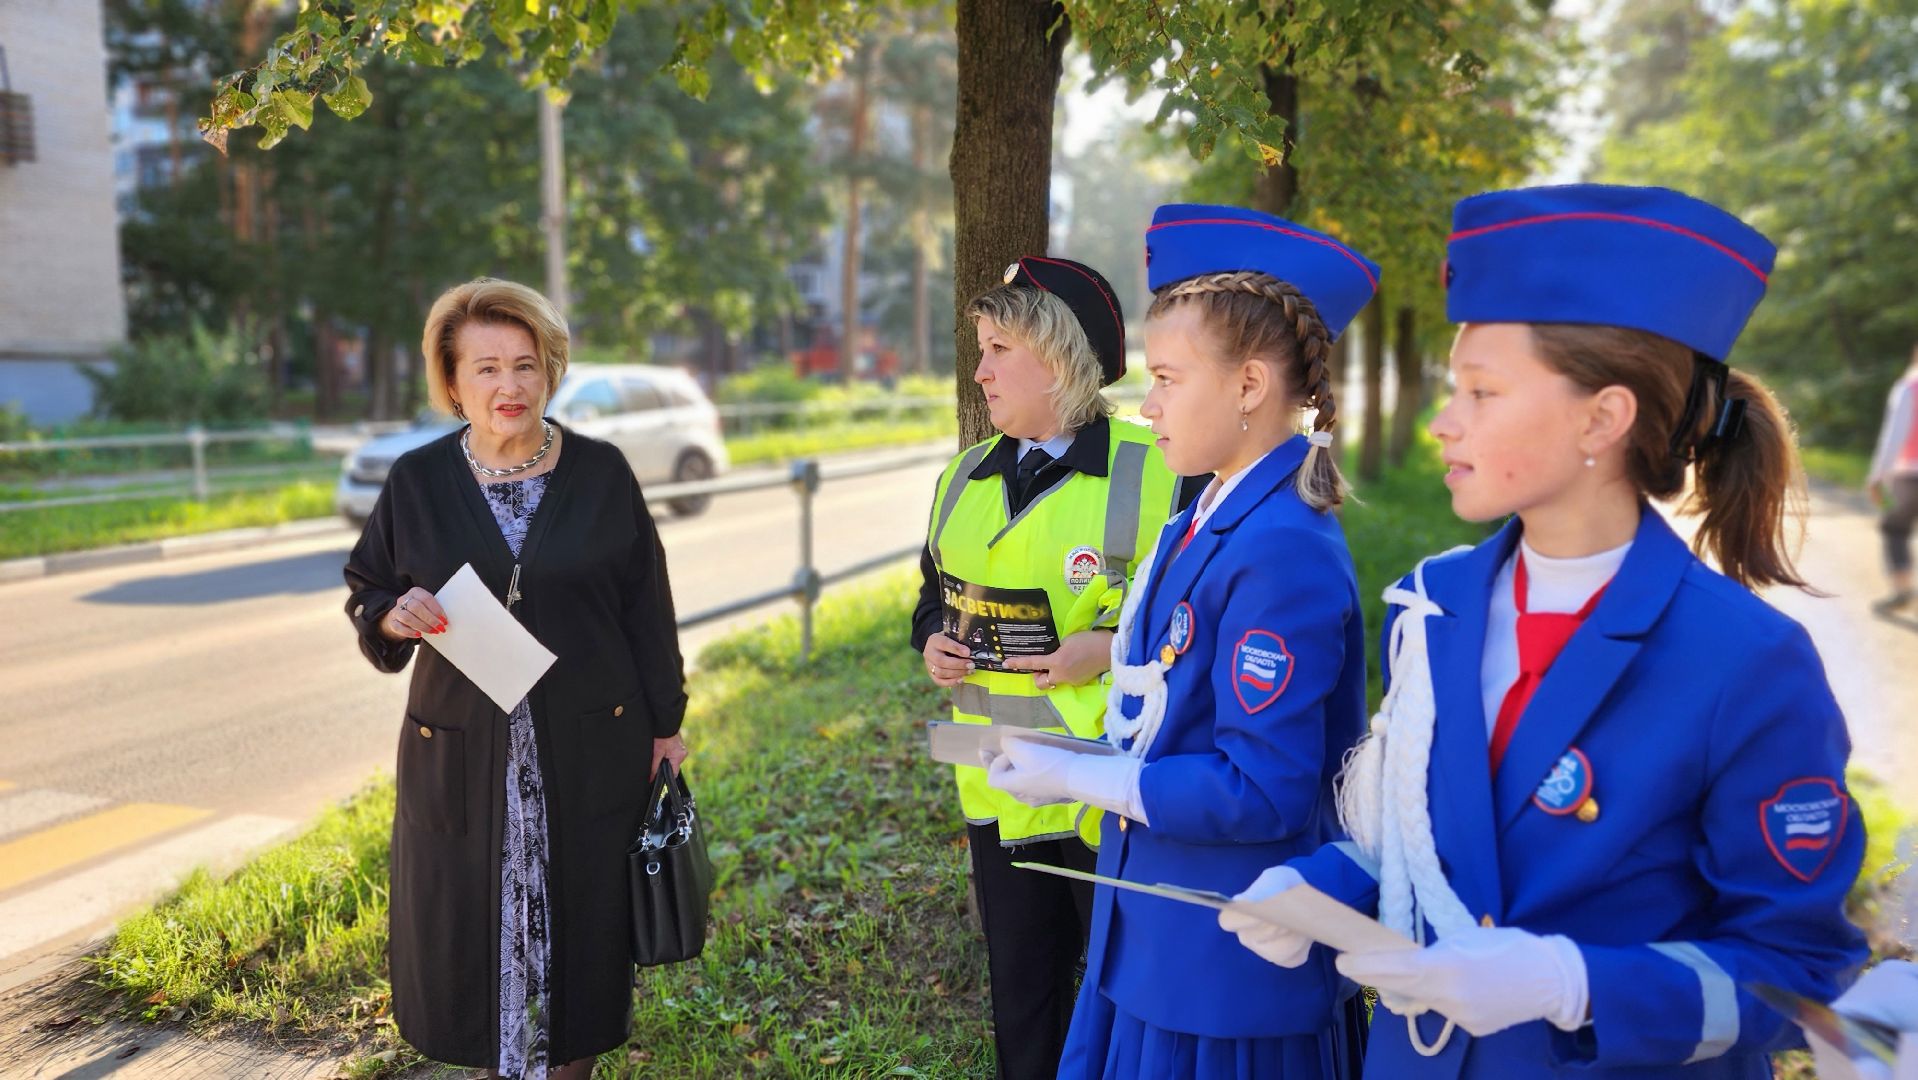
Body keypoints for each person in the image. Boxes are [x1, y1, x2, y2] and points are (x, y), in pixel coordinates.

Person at [1224, 184, 1869, 1078]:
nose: (1445, 422)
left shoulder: (1748, 662)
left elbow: (1801, 982)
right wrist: (1324, 885)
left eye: (1482, 393)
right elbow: (1426, 841)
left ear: (1602, 418)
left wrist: (1577, 984)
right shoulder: (1430, 604)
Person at [985, 204, 1378, 1079]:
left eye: (1168, 378)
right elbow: (1170, 714)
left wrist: (1090, 777)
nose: (1148, 403)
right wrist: (1081, 753)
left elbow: (1263, 790)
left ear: (1248, 387)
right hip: (1162, 943)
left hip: (1228, 982)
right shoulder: (1205, 511)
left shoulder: (1280, 547)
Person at [343, 278, 688, 1079]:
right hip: (464, 750)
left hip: (589, 741)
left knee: (581, 930)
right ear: (454, 382)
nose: (509, 386)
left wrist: (666, 725)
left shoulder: (601, 473)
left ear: (550, 373)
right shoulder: (418, 481)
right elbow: (369, 584)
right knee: (473, 931)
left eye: (526, 366)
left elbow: (648, 607)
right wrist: (391, 615)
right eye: (487, 368)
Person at [911, 255, 1188, 1079]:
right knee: (1022, 992)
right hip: (995, 772)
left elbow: (1199, 619)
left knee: (1128, 991)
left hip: (1110, 785)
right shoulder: (963, 473)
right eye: (981, 348)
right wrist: (931, 639)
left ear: (1059, 357)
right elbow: (932, 596)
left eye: (999, 348)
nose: (981, 369)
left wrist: (1106, 649)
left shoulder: (1162, 468)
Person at [1867, 345, 1918, 613]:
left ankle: (1902, 590)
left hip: (1909, 475)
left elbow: (1894, 437)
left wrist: (1877, 476)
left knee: (1894, 529)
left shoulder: (1909, 388)